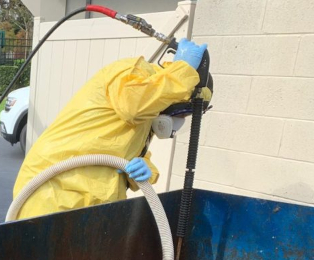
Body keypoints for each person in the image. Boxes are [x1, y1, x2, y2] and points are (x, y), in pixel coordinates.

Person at [12, 39, 210, 220]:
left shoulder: (147, 111)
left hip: (84, 202)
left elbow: (126, 154)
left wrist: (147, 169)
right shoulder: (133, 74)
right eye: (183, 112)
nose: (180, 120)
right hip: (54, 193)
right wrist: (182, 72)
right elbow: (133, 105)